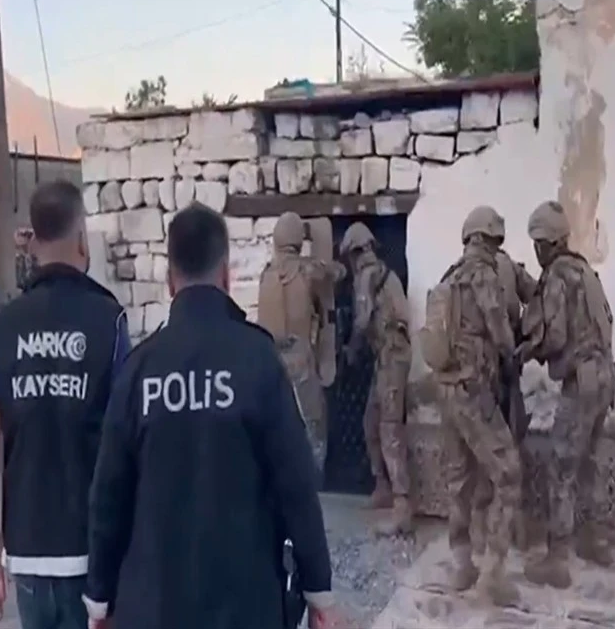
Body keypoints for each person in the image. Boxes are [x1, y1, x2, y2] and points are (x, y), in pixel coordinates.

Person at [83, 203, 341, 629]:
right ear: (226, 275)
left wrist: (99, 600)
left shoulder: (138, 370)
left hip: (153, 610)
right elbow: (295, 484)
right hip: (246, 608)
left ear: (170, 281)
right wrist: (319, 592)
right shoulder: (258, 360)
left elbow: (108, 495)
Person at [0, 180, 130, 629]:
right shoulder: (110, 321)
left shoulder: (4, 326)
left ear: (34, 241)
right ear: (81, 238)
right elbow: (127, 440)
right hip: (92, 555)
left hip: (27, 555)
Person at [419, 206, 522, 606]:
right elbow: (501, 333)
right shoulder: (483, 276)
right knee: (508, 475)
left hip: (446, 390)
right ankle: (493, 573)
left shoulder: (450, 276)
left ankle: (462, 562)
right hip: (473, 393)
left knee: (459, 478)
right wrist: (513, 352)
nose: (496, 249)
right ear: (486, 239)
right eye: (495, 241)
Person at [517, 200, 615, 589]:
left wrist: (528, 351)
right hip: (605, 375)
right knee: (588, 461)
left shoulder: (557, 275)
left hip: (583, 381)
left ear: (546, 243)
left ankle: (557, 559)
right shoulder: (585, 270)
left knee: (561, 465)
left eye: (536, 244)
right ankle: (596, 541)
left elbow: (556, 335)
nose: (535, 251)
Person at [469, 207, 538, 557]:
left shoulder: (468, 270)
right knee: (511, 447)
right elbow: (537, 296)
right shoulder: (509, 266)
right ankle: (516, 533)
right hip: (506, 367)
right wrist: (527, 335)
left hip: (486, 372)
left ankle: (488, 534)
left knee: (489, 453)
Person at [339, 222, 413, 536]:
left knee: (389, 428)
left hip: (391, 356)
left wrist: (351, 350)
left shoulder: (367, 276)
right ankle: (382, 486)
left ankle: (402, 505)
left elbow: (362, 319)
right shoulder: (384, 273)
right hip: (388, 357)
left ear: (355, 253)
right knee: (371, 422)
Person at [258, 212, 346, 474]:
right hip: (299, 358)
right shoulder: (308, 271)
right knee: (313, 424)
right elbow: (338, 273)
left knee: (274, 424)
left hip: (269, 359)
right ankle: (313, 479)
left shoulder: (266, 274)